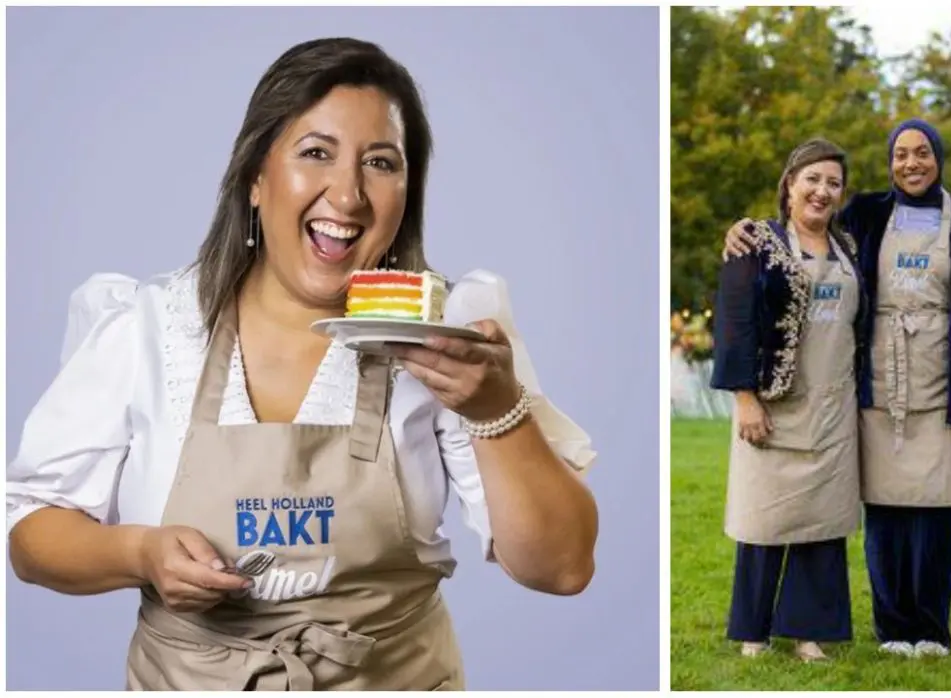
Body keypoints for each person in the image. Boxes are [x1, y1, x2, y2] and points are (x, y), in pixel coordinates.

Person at [6, 38, 599, 690]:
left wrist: (496, 412)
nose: (346, 195)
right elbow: (31, 537)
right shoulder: (147, 329)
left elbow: (562, 567)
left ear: (407, 194)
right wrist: (137, 552)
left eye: (380, 162)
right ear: (256, 180)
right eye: (315, 152)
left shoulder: (450, 338)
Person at [725, 120, 951, 658]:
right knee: (810, 516)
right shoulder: (842, 224)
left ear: (939, 159)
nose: (912, 163)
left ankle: (891, 630)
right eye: (901, 153)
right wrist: (739, 229)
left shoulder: (943, 226)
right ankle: (793, 629)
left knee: (861, 518)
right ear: (790, 183)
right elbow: (743, 308)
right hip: (828, 395)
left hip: (891, 390)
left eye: (923, 153)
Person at [710, 138, 863, 663]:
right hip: (773, 405)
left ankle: (807, 632)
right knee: (763, 518)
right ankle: (753, 630)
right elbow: (733, 322)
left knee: (822, 521)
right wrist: (745, 398)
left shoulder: (850, 249)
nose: (822, 191)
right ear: (790, 184)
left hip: (833, 404)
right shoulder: (755, 241)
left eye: (833, 183)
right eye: (812, 179)